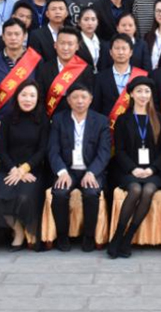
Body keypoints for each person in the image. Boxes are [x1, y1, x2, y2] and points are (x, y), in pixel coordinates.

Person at [0, 81, 49, 254]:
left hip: (33, 171)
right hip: (8, 169)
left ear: (37, 99)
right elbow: (1, 150)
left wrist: (24, 169)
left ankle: (28, 232)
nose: (27, 99)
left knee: (24, 196)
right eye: (23, 95)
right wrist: (14, 169)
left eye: (32, 96)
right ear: (17, 97)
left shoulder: (43, 120)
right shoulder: (8, 118)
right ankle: (17, 231)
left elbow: (42, 150)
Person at [108, 76, 161, 258]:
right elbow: (119, 150)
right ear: (132, 94)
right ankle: (118, 235)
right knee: (135, 189)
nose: (143, 95)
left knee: (148, 189)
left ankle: (128, 237)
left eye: (147, 92)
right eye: (139, 91)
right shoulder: (123, 120)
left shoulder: (160, 120)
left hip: (153, 170)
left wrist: (152, 169)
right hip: (129, 170)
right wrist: (133, 169)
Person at [47, 85, 110, 252]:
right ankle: (62, 236)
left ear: (90, 100)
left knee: (91, 192)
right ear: (68, 100)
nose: (79, 101)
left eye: (84, 97)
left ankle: (89, 236)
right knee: (60, 193)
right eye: (75, 97)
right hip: (67, 170)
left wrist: (92, 172)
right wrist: (61, 172)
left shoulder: (101, 120)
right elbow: (53, 150)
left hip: (90, 170)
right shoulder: (59, 119)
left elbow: (104, 152)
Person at [36, 26, 96, 115]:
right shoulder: (44, 69)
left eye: (70, 44)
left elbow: (89, 98)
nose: (65, 48)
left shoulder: (86, 70)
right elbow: (40, 98)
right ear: (55, 45)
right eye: (62, 43)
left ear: (77, 47)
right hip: (50, 118)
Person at [94, 34, 145, 116]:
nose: (120, 52)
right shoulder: (100, 77)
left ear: (131, 52)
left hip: (134, 121)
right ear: (110, 52)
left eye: (124, 48)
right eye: (117, 48)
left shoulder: (141, 76)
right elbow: (96, 106)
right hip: (108, 122)